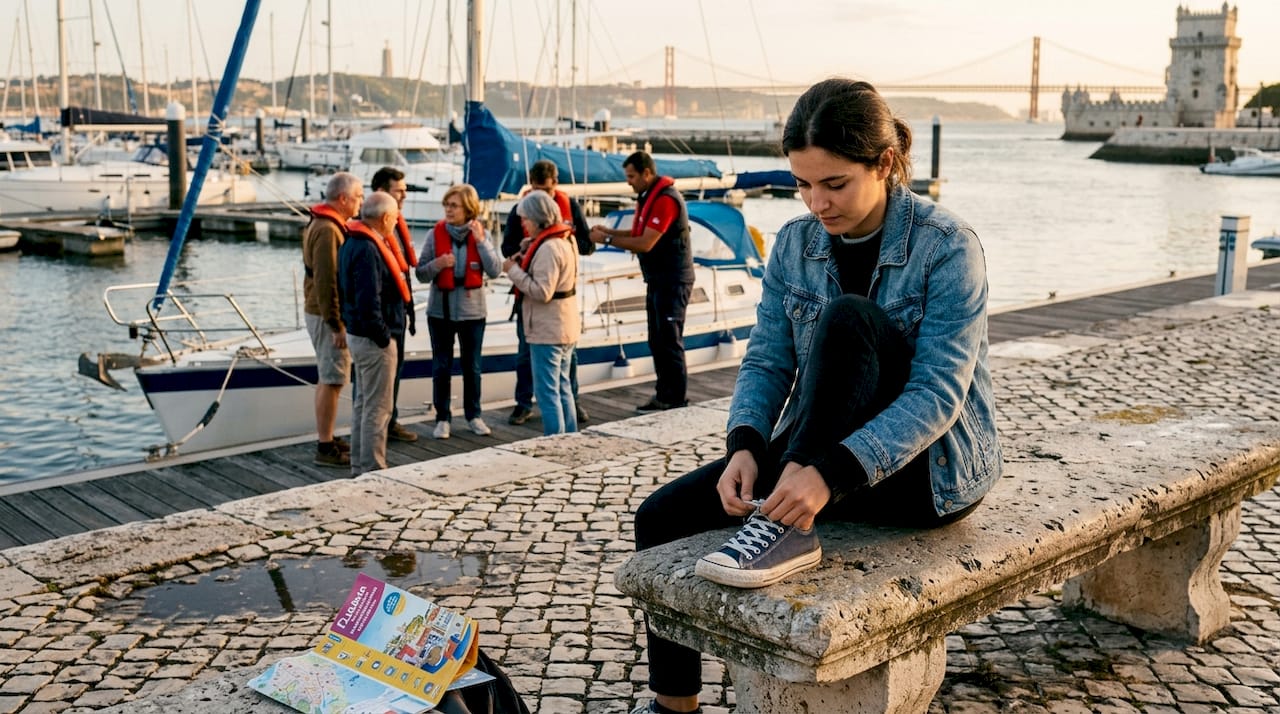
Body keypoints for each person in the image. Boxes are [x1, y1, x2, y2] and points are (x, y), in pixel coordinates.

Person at [627, 79, 1002, 714]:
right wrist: (744, 445)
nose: (816, 202)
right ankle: (674, 709)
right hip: (820, 456)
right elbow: (769, 357)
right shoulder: (796, 245)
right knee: (658, 520)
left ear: (883, 164)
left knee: (849, 318)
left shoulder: (948, 247)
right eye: (802, 183)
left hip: (926, 475)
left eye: (834, 184)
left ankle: (792, 522)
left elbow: (939, 393)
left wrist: (822, 476)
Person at [590, 151, 693, 413]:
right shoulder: (648, 197)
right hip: (658, 279)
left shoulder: (666, 200)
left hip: (673, 279)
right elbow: (638, 232)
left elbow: (646, 242)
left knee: (669, 339)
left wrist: (607, 241)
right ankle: (664, 394)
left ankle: (675, 398)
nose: (629, 182)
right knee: (656, 338)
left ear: (647, 173)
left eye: (632, 176)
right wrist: (608, 231)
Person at [502, 160, 594, 427]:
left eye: (526, 219)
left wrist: (512, 270)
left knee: (547, 391)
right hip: (565, 325)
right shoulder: (567, 239)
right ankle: (569, 435)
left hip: (547, 328)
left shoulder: (548, 249)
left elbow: (542, 291)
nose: (524, 224)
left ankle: (555, 439)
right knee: (564, 386)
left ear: (537, 218)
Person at [415, 184, 502, 439]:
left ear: (468, 208)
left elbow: (495, 270)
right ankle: (442, 418)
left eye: (454, 205)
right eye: (446, 205)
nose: (448, 210)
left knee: (472, 366)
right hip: (439, 311)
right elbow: (420, 273)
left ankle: (474, 415)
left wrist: (482, 243)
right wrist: (438, 264)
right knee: (441, 366)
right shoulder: (435, 234)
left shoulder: (481, 234)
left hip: (473, 311)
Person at [337, 192, 407, 476]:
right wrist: (383, 337)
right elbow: (369, 301)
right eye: (395, 218)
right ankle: (373, 468)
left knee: (363, 404)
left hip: (358, 334)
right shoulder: (368, 249)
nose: (395, 224)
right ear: (386, 218)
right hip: (373, 339)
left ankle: (359, 464)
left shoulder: (351, 242)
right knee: (378, 409)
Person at [302, 171, 364, 467]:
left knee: (329, 378)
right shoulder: (328, 230)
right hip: (325, 314)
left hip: (319, 310)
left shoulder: (323, 223)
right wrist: (336, 324)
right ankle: (324, 445)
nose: (360, 202)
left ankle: (326, 437)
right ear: (343, 199)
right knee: (332, 379)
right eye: (358, 197)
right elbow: (327, 280)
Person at [371, 166, 420, 443]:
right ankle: (376, 434)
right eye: (398, 191)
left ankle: (391, 422)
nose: (404, 195)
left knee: (396, 370)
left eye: (404, 190)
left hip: (398, 313)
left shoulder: (396, 225)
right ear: (381, 192)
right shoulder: (369, 230)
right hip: (383, 317)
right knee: (377, 379)